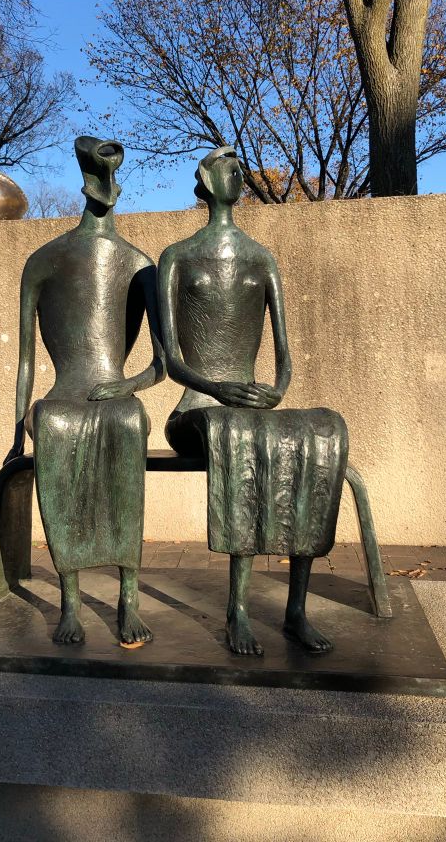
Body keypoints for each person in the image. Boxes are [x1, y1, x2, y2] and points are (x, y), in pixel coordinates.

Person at [157, 146, 348, 655]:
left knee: (320, 436)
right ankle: (237, 610)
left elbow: (285, 357)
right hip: (194, 410)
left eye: (241, 170)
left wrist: (277, 391)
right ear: (205, 178)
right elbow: (171, 360)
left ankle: (296, 610)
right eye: (229, 169)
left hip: (249, 406)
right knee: (241, 439)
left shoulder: (262, 258)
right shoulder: (176, 257)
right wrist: (216, 389)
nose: (239, 177)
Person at [5, 135, 165, 645]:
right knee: (53, 424)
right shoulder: (44, 259)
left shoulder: (141, 263)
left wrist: (128, 383)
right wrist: (16, 432)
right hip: (63, 395)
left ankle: (128, 598)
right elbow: (26, 359)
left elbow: (162, 363)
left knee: (126, 420)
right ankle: (70, 600)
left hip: (114, 393)